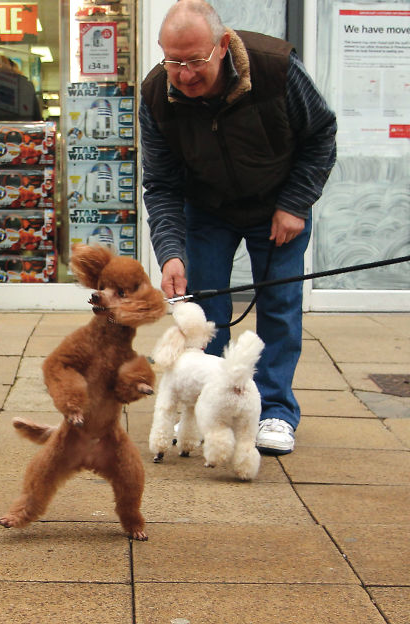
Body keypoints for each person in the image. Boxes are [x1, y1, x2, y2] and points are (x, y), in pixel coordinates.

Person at [140, 0, 337, 455]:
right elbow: (162, 183)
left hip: (278, 206)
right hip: (207, 208)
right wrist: (171, 252)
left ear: (223, 45)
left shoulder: (276, 69)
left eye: (195, 61)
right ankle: (205, 409)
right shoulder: (155, 93)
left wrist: (294, 203)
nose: (184, 74)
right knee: (205, 310)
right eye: (173, 61)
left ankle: (274, 411)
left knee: (279, 304)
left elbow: (321, 135)